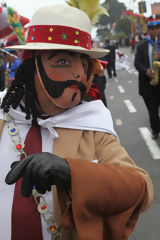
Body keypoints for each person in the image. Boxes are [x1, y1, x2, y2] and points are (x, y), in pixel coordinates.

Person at [0, 4, 153, 240]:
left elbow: (140, 189)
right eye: (62, 61)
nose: (78, 75)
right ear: (32, 67)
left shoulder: (93, 124)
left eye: (82, 63)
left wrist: (74, 174)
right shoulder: (4, 114)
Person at [134, 17, 160, 140]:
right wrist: (146, 71)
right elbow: (137, 63)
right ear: (149, 31)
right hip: (148, 83)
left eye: (157, 28)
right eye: (152, 29)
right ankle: (155, 130)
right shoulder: (141, 45)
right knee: (153, 111)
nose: (155, 31)